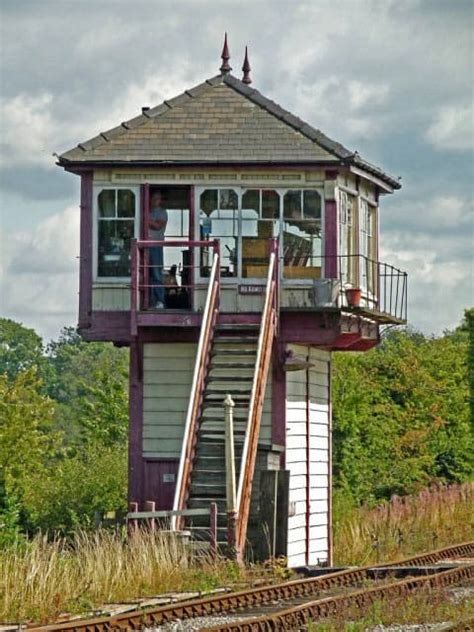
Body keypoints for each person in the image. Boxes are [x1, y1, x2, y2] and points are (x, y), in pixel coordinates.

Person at [148, 191, 168, 308]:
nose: (156, 200)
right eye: (154, 198)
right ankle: (148, 300)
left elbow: (158, 225)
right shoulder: (146, 211)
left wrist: (144, 220)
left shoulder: (162, 212)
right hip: (143, 246)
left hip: (156, 245)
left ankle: (160, 301)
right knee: (144, 273)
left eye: (158, 198)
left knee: (156, 272)